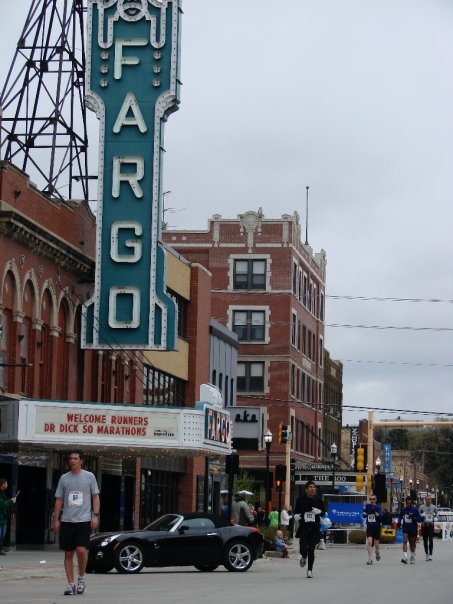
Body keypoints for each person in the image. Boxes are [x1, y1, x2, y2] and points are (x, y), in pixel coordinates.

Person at [53, 450, 100, 596]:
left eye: (75, 458)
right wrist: (56, 520)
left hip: (83, 520)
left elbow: (95, 497)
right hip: (67, 520)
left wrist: (95, 515)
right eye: (70, 458)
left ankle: (81, 578)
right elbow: (59, 499)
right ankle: (70, 584)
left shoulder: (89, 477)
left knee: (81, 550)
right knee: (68, 553)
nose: (72, 461)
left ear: (81, 461)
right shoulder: (64, 478)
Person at [294, 480, 326, 578]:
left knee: (311, 550)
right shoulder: (300, 500)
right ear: (306, 489)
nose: (313, 489)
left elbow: (324, 512)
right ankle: (303, 557)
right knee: (303, 549)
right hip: (304, 527)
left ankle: (309, 570)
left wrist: (318, 511)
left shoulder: (318, 500)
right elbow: (296, 512)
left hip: (314, 528)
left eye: (314, 487)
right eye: (310, 487)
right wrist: (296, 516)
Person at [398, 495, 422, 564]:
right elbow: (400, 516)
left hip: (413, 528)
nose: (408, 504)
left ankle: (412, 555)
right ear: (405, 503)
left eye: (410, 503)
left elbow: (419, 519)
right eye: (407, 503)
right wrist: (399, 522)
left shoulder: (415, 509)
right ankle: (405, 557)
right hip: (405, 527)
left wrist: (414, 518)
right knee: (405, 541)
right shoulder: (403, 510)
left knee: (412, 543)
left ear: (412, 503)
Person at [363, 494, 383, 564]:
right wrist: (365, 513)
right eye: (371, 499)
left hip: (376, 527)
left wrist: (375, 512)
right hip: (369, 526)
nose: (372, 500)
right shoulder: (367, 506)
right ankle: (370, 558)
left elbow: (381, 517)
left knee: (376, 543)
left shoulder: (378, 507)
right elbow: (364, 513)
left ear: (376, 500)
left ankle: (377, 552)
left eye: (373, 499)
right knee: (369, 542)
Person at [0, 479, 17, 555]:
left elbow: (6, 505)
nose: (7, 485)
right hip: (0, 518)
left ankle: (0, 548)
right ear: (2, 484)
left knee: (2, 535)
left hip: (4, 518)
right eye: (6, 484)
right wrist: (10, 501)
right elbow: (2, 504)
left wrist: (11, 502)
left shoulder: (3, 493)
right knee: (0, 534)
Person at [419, 493, 437, 561]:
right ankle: (426, 553)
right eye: (426, 499)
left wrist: (436, 518)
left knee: (431, 540)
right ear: (425, 500)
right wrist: (421, 516)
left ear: (431, 500)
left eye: (429, 499)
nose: (428, 501)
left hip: (431, 526)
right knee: (425, 540)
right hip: (424, 525)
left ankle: (430, 555)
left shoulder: (434, 507)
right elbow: (418, 516)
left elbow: (437, 514)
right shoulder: (421, 507)